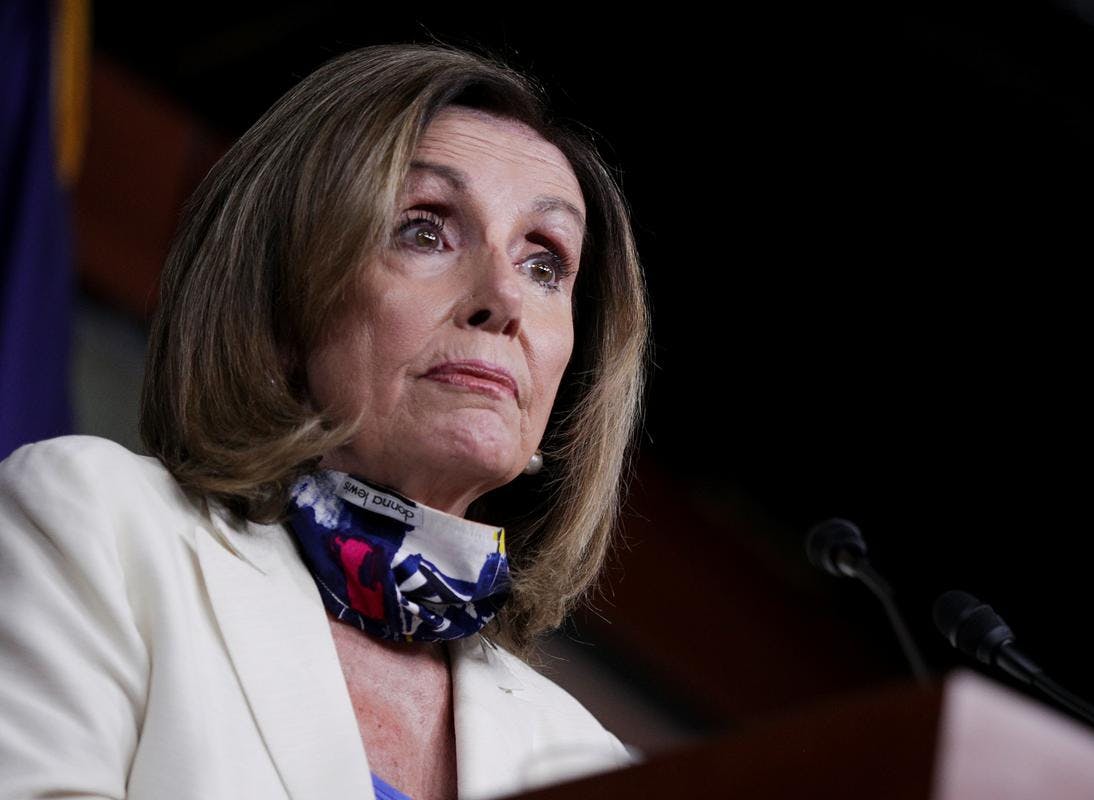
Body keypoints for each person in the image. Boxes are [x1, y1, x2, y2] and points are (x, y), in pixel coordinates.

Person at [0, 42, 650, 800]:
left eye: (545, 264)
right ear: (281, 298)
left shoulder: (592, 764)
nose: (502, 298)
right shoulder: (99, 526)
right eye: (425, 228)